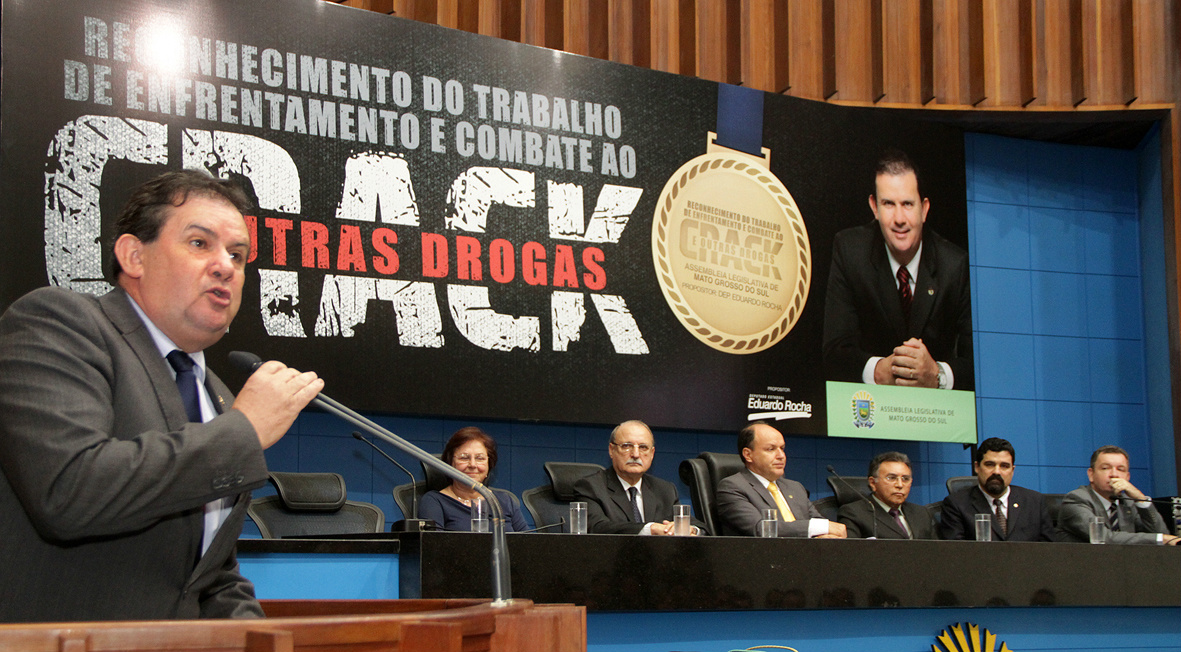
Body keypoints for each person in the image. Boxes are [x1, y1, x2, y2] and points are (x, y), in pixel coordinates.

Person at [0, 170, 324, 622]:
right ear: (134, 255)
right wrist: (244, 431)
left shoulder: (219, 397)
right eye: (199, 244)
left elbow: (205, 574)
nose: (225, 265)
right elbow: (69, 491)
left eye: (238, 254)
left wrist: (258, 640)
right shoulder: (60, 323)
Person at [823, 149, 973, 389]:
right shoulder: (850, 251)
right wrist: (878, 370)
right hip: (869, 412)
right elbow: (835, 350)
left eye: (907, 204)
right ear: (874, 207)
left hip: (936, 414)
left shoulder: (954, 265)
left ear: (924, 209)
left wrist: (937, 374)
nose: (899, 218)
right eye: (888, 204)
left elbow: (977, 363)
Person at [572, 420, 708, 535]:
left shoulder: (665, 489)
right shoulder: (591, 487)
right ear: (611, 450)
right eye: (626, 446)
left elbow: (701, 528)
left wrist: (691, 530)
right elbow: (597, 528)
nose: (636, 454)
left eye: (643, 447)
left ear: (652, 453)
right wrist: (651, 528)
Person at [716, 422, 846, 538]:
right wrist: (820, 528)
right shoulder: (732, 487)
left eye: (782, 448)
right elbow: (761, 529)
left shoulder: (795, 488)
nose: (781, 456)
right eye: (771, 449)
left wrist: (828, 535)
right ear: (748, 455)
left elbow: (818, 521)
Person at [1056, 445, 1178, 545]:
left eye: (1121, 469)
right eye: (1105, 468)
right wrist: (1161, 539)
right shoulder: (1076, 499)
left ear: (1127, 477)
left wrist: (1140, 499)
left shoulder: (1128, 503)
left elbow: (1161, 533)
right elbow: (1103, 538)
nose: (1114, 474)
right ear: (1091, 474)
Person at [940, 437, 1054, 541]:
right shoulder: (957, 504)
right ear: (977, 467)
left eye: (1004, 466)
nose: (996, 472)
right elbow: (955, 553)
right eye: (990, 464)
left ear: (1012, 470)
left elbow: (1049, 550)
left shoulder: (1034, 502)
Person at [418, 427, 529, 532]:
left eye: (479, 458)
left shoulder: (505, 501)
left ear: (489, 465)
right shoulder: (434, 502)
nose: (472, 464)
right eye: (464, 458)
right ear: (450, 463)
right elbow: (433, 548)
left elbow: (530, 544)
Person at [837, 451, 936, 539]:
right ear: (872, 483)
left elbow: (938, 552)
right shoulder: (854, 513)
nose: (900, 485)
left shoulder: (922, 513)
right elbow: (850, 553)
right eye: (891, 478)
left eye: (905, 479)